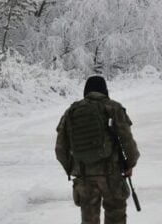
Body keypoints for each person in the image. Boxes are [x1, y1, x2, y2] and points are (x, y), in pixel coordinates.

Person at [56, 76, 140, 224]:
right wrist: (130, 164)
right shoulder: (113, 108)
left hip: (83, 175)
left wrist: (72, 169)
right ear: (105, 90)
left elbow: (60, 149)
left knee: (89, 219)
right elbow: (127, 140)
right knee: (116, 214)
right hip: (111, 174)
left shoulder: (71, 111)